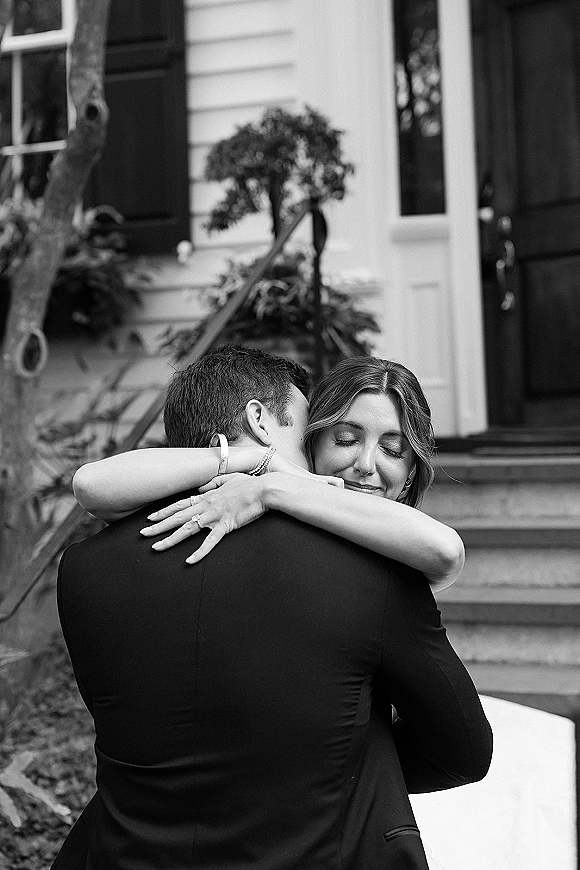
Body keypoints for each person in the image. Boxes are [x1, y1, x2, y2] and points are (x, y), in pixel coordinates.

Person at [54, 346, 492, 870]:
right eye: (325, 435)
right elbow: (462, 750)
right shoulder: (370, 570)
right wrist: (345, 760)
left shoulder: (83, 570)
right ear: (261, 422)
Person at [73, 355, 466, 592]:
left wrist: (270, 486)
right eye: (344, 440)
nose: (365, 465)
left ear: (412, 471)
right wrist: (256, 462)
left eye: (393, 450)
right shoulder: (263, 516)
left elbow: (446, 552)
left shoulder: (400, 547)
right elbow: (91, 483)